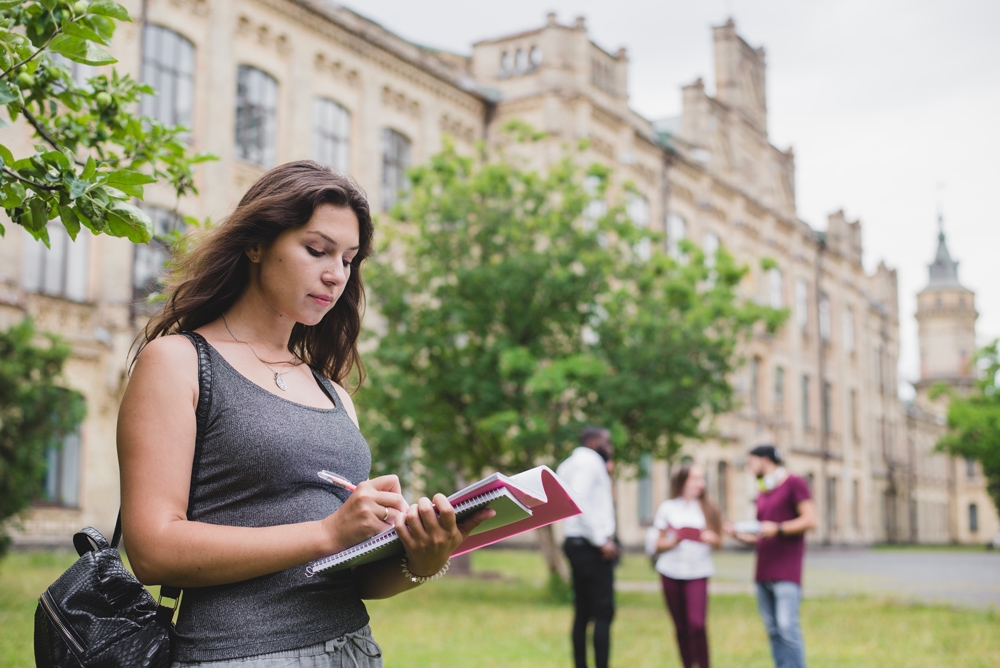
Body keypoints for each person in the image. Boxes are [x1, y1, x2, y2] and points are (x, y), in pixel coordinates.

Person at [117, 161, 493, 667]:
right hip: (240, 657)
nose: (336, 274)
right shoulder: (179, 362)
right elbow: (152, 550)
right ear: (256, 244)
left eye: (349, 259)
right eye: (317, 250)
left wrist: (423, 558)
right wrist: (327, 532)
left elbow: (352, 576)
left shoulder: (333, 393)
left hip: (354, 651)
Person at [724, 445, 817, 668]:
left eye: (750, 463)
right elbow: (760, 535)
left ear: (765, 460)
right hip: (763, 571)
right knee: (774, 630)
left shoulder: (795, 483)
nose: (748, 468)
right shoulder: (763, 492)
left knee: (787, 627)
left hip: (786, 571)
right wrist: (736, 534)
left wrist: (778, 528)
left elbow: (810, 520)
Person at [556, 426, 619, 668]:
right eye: (607, 442)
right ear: (593, 442)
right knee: (603, 612)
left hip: (574, 542)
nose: (609, 447)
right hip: (591, 547)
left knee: (582, 611)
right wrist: (601, 540)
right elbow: (578, 500)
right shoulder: (590, 463)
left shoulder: (567, 464)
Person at [651, 462, 722, 668]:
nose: (700, 483)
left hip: (698, 570)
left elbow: (719, 541)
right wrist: (673, 541)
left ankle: (704, 664)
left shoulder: (708, 508)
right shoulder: (668, 508)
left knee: (697, 624)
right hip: (670, 570)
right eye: (695, 478)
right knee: (681, 626)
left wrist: (712, 538)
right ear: (683, 481)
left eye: (702, 478)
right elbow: (658, 542)